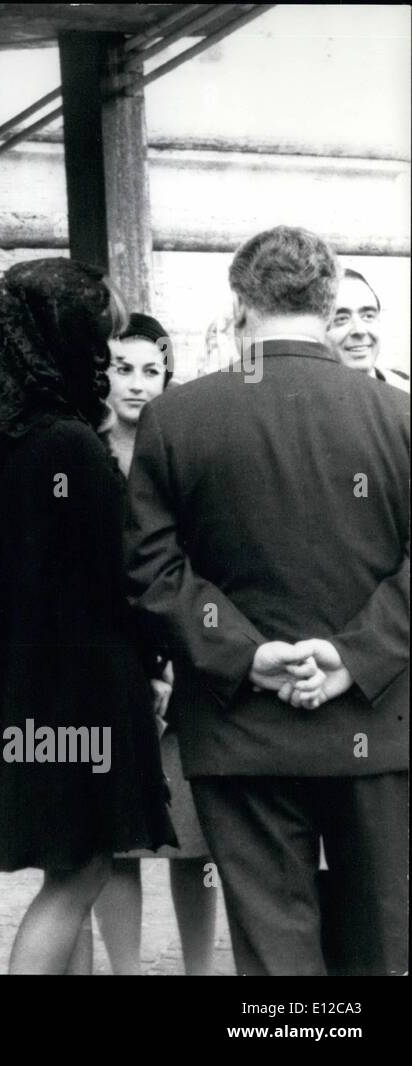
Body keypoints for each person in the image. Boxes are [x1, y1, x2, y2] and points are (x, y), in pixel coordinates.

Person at [126, 226, 409, 976]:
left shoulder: (177, 419)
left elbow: (151, 570)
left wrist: (246, 656)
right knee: (380, 946)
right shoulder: (399, 418)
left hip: (239, 731)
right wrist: (354, 657)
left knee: (275, 954)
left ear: (241, 303)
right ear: (328, 299)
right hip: (375, 730)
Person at [0, 259, 176, 974]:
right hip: (82, 693)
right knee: (81, 875)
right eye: (98, 342)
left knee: (68, 872)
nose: (103, 362)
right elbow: (124, 579)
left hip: (35, 696)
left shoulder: (14, 441)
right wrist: (162, 658)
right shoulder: (71, 444)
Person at [90, 313, 217, 976]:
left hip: (183, 671)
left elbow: (202, 566)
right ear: (101, 372)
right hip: (112, 674)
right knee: (119, 844)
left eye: (151, 369)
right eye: (122, 367)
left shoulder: (187, 451)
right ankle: (127, 973)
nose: (137, 384)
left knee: (192, 842)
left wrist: (171, 664)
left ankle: (199, 973)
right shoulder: (83, 455)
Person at [326, 267, 410, 390]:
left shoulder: (404, 391)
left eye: (368, 316)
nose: (360, 330)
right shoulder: (299, 400)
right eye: (341, 318)